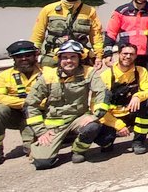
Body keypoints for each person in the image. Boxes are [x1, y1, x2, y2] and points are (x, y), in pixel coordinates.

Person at [25, 40, 97, 169]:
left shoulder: (89, 72)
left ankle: (78, 150)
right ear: (59, 59)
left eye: (73, 57)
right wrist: (41, 132)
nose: (69, 61)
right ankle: (41, 146)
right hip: (53, 125)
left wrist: (94, 115)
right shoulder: (48, 76)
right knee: (43, 163)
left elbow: (101, 94)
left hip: (78, 119)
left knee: (92, 127)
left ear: (79, 59)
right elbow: (31, 105)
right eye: (65, 57)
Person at [78, 43, 148, 155]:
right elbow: (96, 106)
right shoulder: (106, 75)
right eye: (125, 53)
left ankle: (139, 141)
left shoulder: (140, 71)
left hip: (130, 112)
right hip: (111, 116)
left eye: (131, 54)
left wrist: (137, 96)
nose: (128, 57)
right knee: (104, 140)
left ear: (135, 56)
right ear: (118, 54)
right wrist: (118, 125)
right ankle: (108, 142)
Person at [0, 41, 41, 166]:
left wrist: (35, 105)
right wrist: (25, 102)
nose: (24, 59)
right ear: (13, 58)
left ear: (35, 55)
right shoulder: (4, 76)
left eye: (28, 55)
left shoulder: (47, 72)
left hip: (39, 114)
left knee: (35, 152)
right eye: (19, 56)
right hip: (14, 115)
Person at [31, 0, 103, 67]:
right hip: (53, 56)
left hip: (80, 55)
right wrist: (34, 55)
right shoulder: (48, 9)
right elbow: (38, 34)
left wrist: (98, 56)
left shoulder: (90, 11)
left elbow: (96, 36)